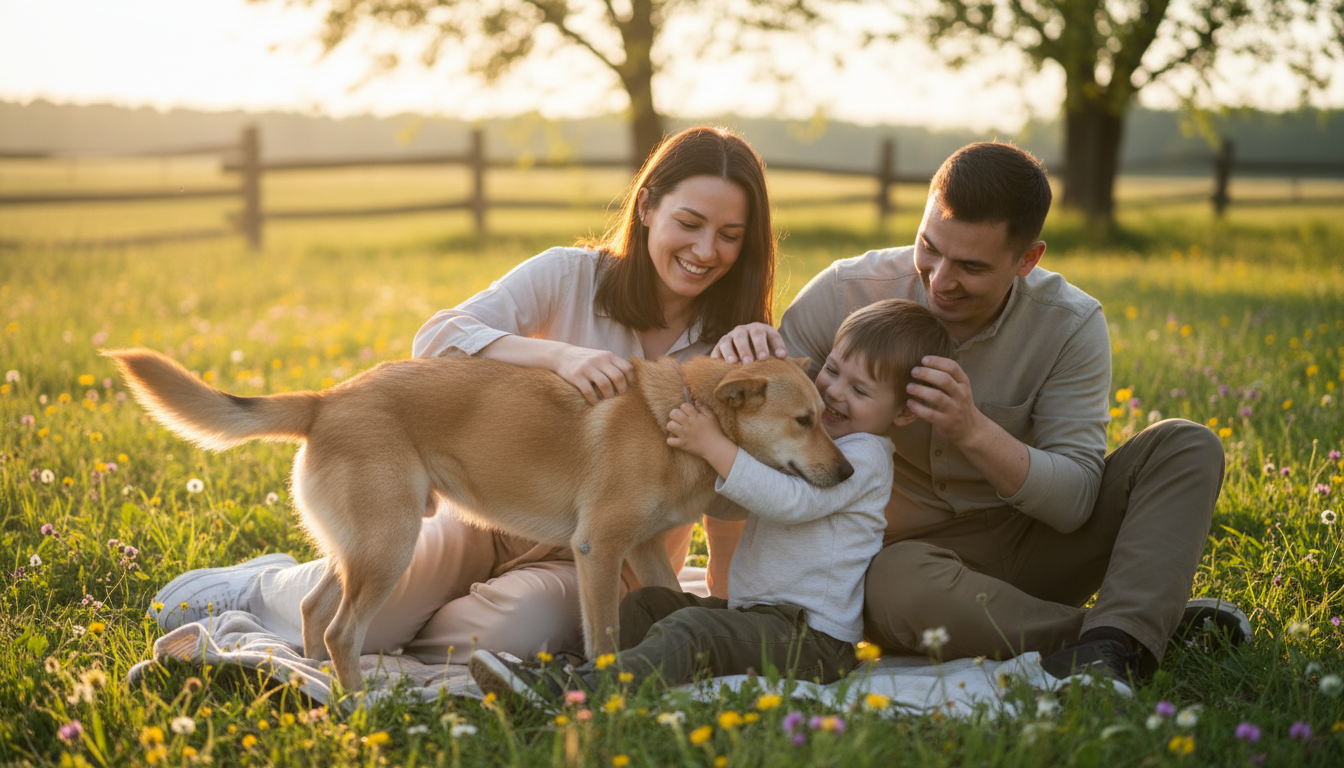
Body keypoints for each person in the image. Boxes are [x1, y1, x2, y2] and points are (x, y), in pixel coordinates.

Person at [148, 126, 775, 667]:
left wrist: (724, 604)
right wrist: (557, 354)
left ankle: (393, 627)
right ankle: (264, 588)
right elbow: (439, 338)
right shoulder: (570, 274)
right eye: (688, 224)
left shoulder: (735, 353)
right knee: (379, 612)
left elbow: (733, 489)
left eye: (729, 235)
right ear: (646, 209)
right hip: (486, 503)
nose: (703, 251)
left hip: (606, 551)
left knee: (505, 635)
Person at [712, 142, 1247, 690]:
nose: (940, 280)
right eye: (929, 248)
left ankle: (1117, 633)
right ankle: (1120, 638)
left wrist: (972, 429)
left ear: (1027, 260)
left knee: (1186, 445)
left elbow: (1078, 501)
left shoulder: (1069, 324)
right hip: (891, 566)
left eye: (971, 266)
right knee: (899, 584)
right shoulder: (845, 294)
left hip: (1031, 546)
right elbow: (761, 442)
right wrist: (739, 358)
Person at [467, 299, 958, 701]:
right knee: (646, 605)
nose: (832, 393)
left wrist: (713, 447)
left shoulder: (863, 459)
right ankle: (579, 670)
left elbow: (790, 503)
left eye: (861, 388)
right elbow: (734, 487)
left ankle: (585, 694)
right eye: (831, 371)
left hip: (812, 641)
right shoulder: (801, 437)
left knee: (695, 630)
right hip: (759, 616)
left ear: (903, 412)